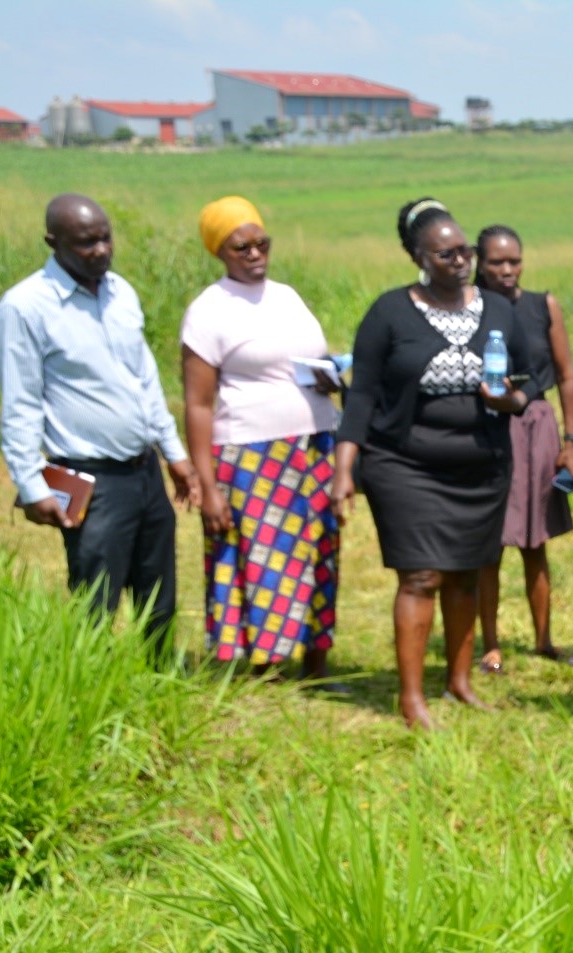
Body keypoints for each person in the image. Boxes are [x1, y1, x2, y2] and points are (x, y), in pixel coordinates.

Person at [331, 197, 537, 729]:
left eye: (463, 251)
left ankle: (460, 682)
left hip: (481, 465)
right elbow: (363, 396)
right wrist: (343, 469)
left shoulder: (497, 311)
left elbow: (527, 380)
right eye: (444, 254)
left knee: (466, 575)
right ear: (419, 258)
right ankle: (412, 697)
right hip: (404, 464)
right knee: (421, 576)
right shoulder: (390, 312)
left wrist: (509, 402)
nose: (459, 261)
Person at [0, 193, 199, 662]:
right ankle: (91, 691)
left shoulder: (120, 292)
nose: (102, 250)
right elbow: (21, 402)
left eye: (106, 238)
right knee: (95, 593)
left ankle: (160, 678)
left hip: (144, 470)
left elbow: (144, 379)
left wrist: (174, 454)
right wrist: (30, 485)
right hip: (87, 477)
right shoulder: (26, 307)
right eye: (87, 243)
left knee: (158, 591)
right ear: (53, 242)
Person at [181, 195, 342, 683]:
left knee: (318, 552)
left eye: (261, 243)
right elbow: (198, 405)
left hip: (313, 447)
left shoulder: (288, 296)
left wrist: (330, 376)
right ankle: (262, 666)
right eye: (240, 247)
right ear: (219, 252)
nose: (254, 255)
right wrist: (206, 487)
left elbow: (305, 358)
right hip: (250, 456)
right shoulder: (209, 312)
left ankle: (315, 660)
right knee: (260, 558)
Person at [472, 224, 573, 673]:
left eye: (513, 260)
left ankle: (544, 640)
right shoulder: (471, 308)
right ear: (479, 263)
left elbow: (567, 375)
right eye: (496, 261)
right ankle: (491, 645)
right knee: (489, 544)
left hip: (536, 427)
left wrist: (571, 442)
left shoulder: (542, 306)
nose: (506, 270)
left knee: (536, 542)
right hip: (486, 429)